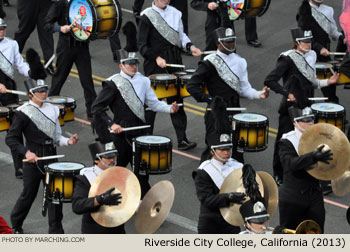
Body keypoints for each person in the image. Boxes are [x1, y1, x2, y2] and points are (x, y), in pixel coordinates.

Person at [5, 49, 79, 233]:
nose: (45, 93)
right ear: (31, 94)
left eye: (45, 90)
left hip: (51, 156)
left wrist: (67, 142)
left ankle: (56, 230)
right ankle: (16, 224)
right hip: (33, 157)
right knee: (28, 195)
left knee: (55, 195)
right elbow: (11, 138)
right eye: (40, 91)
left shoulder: (53, 110)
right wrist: (26, 152)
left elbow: (56, 136)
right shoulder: (23, 112)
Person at [91, 49, 179, 198]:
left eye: (135, 63)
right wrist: (111, 124)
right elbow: (96, 108)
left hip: (140, 132)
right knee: (116, 169)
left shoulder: (144, 80)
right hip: (121, 133)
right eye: (130, 64)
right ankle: (101, 197)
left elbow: (153, 103)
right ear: (121, 66)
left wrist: (170, 108)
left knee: (142, 172)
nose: (133, 66)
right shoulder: (113, 83)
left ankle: (147, 206)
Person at [264, 28, 339, 186]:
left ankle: (312, 171)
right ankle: (278, 173)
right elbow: (270, 80)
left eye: (310, 41)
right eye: (305, 41)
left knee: (310, 138)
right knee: (284, 140)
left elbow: (312, 81)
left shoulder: (312, 55)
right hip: (291, 107)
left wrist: (328, 82)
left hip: (307, 105)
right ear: (297, 43)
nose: (309, 44)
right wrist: (287, 93)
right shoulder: (287, 59)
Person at [187, 27, 268, 163]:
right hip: (216, 113)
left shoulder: (240, 61)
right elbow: (192, 85)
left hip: (235, 111)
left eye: (232, 41)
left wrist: (258, 94)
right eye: (227, 41)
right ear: (219, 43)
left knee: (236, 151)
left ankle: (237, 181)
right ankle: (204, 178)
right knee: (214, 149)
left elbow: (244, 89)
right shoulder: (209, 62)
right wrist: (210, 99)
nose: (231, 44)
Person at [137, 0, 201, 151]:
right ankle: (146, 138)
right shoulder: (146, 17)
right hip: (155, 63)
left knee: (177, 101)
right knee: (152, 103)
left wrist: (190, 47)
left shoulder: (175, 13)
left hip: (174, 60)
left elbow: (181, 36)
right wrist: (156, 57)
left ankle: (182, 139)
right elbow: (142, 45)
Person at [192, 98, 246, 233]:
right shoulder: (203, 171)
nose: (227, 152)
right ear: (212, 151)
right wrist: (228, 197)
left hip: (232, 219)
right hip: (210, 221)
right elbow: (206, 199)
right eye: (222, 150)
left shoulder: (237, 166)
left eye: (228, 149)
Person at [277, 106, 333, 233]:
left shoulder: (319, 137)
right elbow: (290, 164)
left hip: (314, 195)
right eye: (305, 120)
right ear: (295, 123)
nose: (310, 122)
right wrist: (313, 156)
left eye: (311, 119)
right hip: (293, 197)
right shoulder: (287, 141)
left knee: (317, 232)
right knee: (290, 234)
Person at [44, 0, 97, 119]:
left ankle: (92, 110)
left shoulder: (84, 3)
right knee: (59, 79)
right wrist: (60, 28)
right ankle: (49, 107)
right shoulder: (60, 4)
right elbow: (47, 24)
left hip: (82, 47)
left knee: (87, 80)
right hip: (66, 47)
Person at [297, 0, 346, 104]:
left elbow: (333, 33)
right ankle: (307, 116)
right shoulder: (304, 9)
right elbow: (304, 36)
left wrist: (343, 38)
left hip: (324, 56)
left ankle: (333, 115)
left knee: (330, 88)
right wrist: (319, 48)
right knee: (307, 88)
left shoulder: (328, 10)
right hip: (308, 54)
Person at [0, 18, 30, 179]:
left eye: (3, 28)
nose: (2, 31)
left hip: (8, 86)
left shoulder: (12, 45)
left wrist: (30, 72)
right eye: (0, 29)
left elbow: (20, 64)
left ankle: (19, 167)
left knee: (14, 128)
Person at [72, 142, 124, 234]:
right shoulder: (86, 178)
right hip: (95, 230)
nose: (112, 160)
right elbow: (77, 206)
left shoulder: (120, 174)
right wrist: (100, 199)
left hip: (117, 228)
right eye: (108, 157)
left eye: (114, 156)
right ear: (96, 160)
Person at [190, 0, 262, 52]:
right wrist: (208, 5)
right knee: (211, 50)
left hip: (227, 20)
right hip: (213, 20)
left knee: (230, 50)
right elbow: (194, 3)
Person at [14, 0, 55, 75]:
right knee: (24, 31)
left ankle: (49, 64)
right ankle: (11, 57)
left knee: (46, 31)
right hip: (29, 3)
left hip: (45, 3)